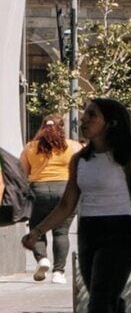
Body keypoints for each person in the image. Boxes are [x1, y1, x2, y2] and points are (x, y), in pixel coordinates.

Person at [43, 100, 131, 313]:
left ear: (111, 123)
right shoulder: (79, 160)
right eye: (84, 114)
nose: (83, 119)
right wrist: (36, 232)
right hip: (89, 234)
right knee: (109, 307)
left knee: (98, 312)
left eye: (92, 115)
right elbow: (66, 205)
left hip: (120, 234)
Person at [21, 115, 74, 284]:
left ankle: (42, 259)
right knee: (61, 232)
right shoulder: (73, 146)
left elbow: (23, 171)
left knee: (37, 226)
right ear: (62, 128)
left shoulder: (30, 147)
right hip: (65, 191)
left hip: (39, 191)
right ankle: (59, 272)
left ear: (42, 127)